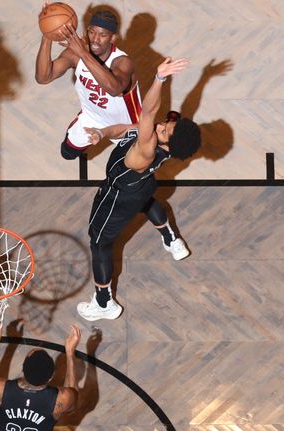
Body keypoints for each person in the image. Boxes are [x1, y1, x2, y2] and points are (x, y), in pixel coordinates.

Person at [76, 58, 202, 321]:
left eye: (165, 130)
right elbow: (125, 129)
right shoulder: (158, 143)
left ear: (165, 143)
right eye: (168, 122)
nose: (161, 125)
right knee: (147, 200)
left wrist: (159, 78)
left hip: (117, 196)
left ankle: (104, 303)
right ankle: (170, 239)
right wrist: (101, 134)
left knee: (99, 244)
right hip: (142, 186)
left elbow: (147, 113)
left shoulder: (146, 149)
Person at [34, 7, 141, 160]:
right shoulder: (74, 54)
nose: (95, 39)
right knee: (67, 153)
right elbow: (43, 77)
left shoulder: (123, 62)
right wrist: (47, 34)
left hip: (126, 125)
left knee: (132, 169)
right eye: (92, 32)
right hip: (92, 116)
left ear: (113, 38)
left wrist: (83, 53)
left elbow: (114, 89)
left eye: (103, 35)